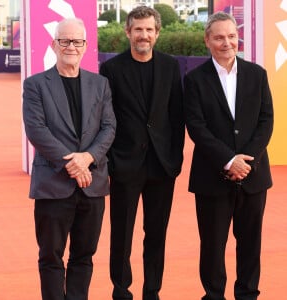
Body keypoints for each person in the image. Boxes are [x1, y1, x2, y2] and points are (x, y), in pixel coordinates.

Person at [22, 18, 116, 300]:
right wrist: (72, 165)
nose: (71, 46)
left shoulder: (100, 84)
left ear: (85, 46)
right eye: (64, 40)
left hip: (92, 184)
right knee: (51, 256)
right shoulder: (36, 84)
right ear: (54, 44)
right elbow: (37, 130)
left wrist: (88, 157)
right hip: (53, 184)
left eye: (77, 41)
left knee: (84, 256)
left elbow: (109, 127)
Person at [184, 11, 274, 300]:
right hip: (212, 176)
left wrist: (246, 159)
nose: (227, 42)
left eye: (232, 36)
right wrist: (228, 159)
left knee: (250, 243)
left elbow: (266, 120)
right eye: (220, 37)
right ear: (207, 40)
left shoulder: (256, 74)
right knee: (212, 245)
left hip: (253, 174)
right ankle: (214, 295)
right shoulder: (195, 79)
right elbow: (196, 126)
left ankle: (247, 294)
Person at [100, 6, 185, 300]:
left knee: (156, 235)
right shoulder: (112, 69)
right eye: (138, 29)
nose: (144, 35)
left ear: (158, 33)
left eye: (149, 30)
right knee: (121, 235)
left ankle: (152, 291)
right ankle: (121, 290)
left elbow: (177, 115)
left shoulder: (171, 66)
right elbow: (106, 118)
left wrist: (175, 157)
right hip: (125, 165)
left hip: (162, 166)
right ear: (128, 32)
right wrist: (111, 161)